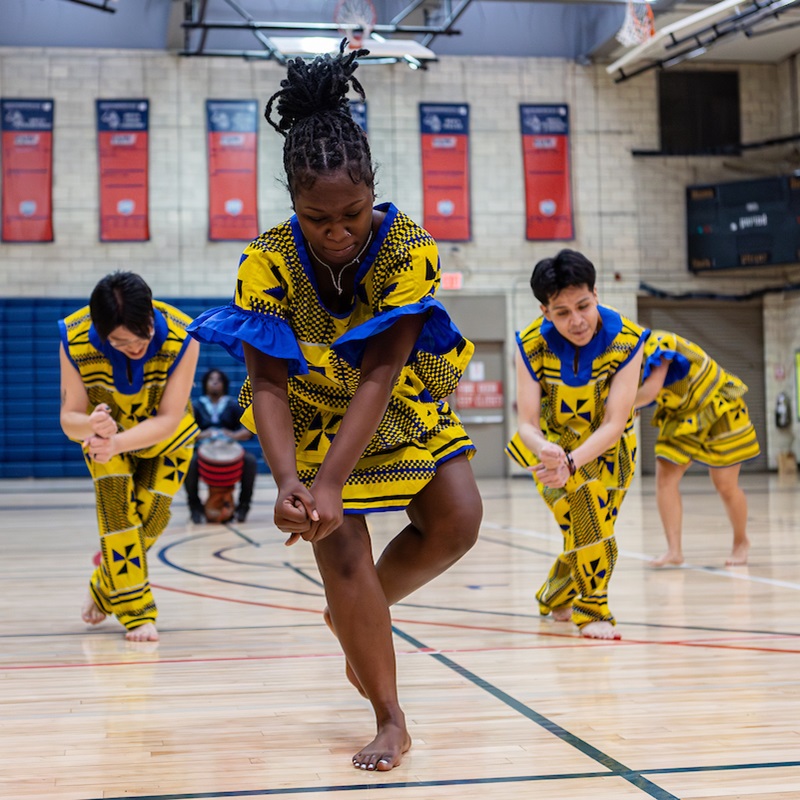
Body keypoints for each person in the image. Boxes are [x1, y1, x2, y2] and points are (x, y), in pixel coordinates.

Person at [187, 42, 482, 771]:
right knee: (339, 546)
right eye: (318, 219)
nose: (338, 231)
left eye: (351, 213)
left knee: (459, 521)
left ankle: (357, 616)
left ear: (372, 192)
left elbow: (383, 372)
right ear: (293, 205)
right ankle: (390, 717)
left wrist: (329, 483)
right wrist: (292, 480)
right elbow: (266, 384)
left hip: (397, 398)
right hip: (316, 418)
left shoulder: (408, 246)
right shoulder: (265, 261)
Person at [506, 249, 646, 641]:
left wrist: (572, 460)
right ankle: (593, 611)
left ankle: (553, 595)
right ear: (545, 310)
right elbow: (527, 424)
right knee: (591, 523)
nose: (577, 320)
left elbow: (615, 422)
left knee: (588, 530)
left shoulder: (628, 340)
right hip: (551, 453)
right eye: (562, 312)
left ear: (596, 293)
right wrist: (549, 452)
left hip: (611, 453)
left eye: (583, 305)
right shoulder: (530, 344)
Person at [59, 271, 199, 642]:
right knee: (119, 521)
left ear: (151, 315)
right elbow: (69, 418)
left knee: (151, 520)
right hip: (104, 439)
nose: (137, 347)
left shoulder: (186, 333)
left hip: (168, 438)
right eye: (123, 342)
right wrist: (90, 424)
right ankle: (138, 615)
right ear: (101, 332)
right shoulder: (73, 338)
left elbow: (169, 417)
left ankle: (103, 586)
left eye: (144, 336)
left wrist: (118, 443)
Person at [635, 329, 760, 567]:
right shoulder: (620, 362)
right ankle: (674, 551)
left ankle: (741, 541)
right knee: (665, 478)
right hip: (683, 415)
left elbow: (649, 391)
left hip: (717, 406)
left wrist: (615, 409)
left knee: (725, 485)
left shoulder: (660, 343)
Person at [185, 368, 257, 524]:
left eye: (218, 379)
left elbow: (248, 431)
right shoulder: (197, 406)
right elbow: (187, 432)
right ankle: (195, 508)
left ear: (224, 383)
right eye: (211, 379)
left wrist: (232, 435)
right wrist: (205, 434)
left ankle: (243, 507)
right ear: (205, 383)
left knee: (250, 461)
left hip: (229, 448)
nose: (215, 382)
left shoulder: (232, 404)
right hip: (205, 450)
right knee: (189, 463)